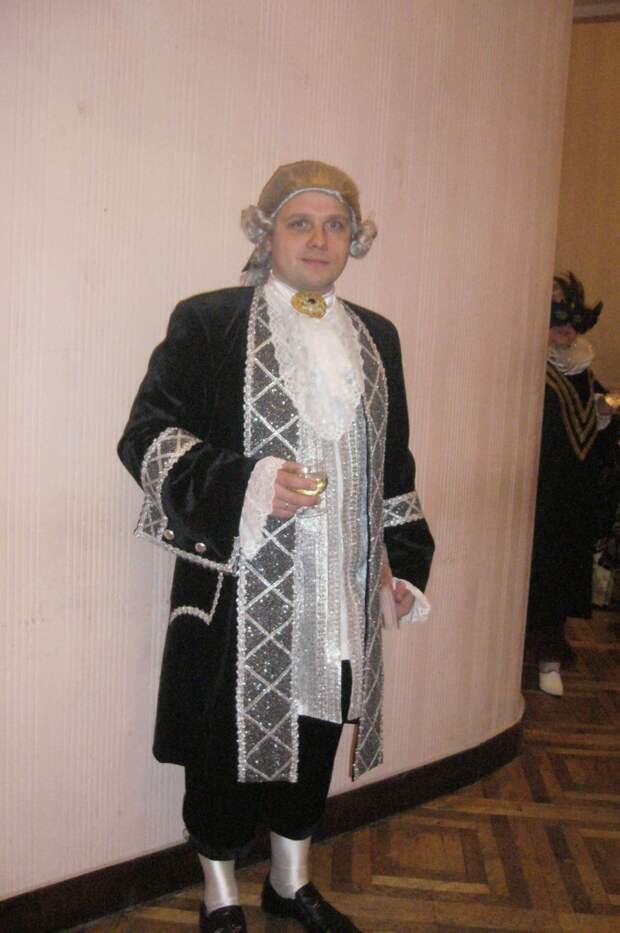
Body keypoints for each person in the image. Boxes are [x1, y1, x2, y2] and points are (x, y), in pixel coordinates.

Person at [118, 160, 434, 932]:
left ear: (354, 239)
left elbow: (393, 464)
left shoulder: (378, 337)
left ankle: (290, 883)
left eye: (336, 225)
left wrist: (405, 564)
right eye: (300, 223)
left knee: (317, 732)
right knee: (222, 744)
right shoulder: (209, 321)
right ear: (266, 235)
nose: (320, 239)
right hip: (240, 580)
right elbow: (147, 436)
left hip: (341, 584)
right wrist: (250, 482)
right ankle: (220, 890)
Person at [526, 272, 617, 697]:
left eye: (572, 322)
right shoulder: (530, 368)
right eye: (557, 319)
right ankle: (529, 654)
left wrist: (603, 411)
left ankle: (550, 654)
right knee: (534, 576)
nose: (566, 330)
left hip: (571, 494)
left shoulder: (580, 367)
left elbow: (591, 421)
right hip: (536, 492)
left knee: (561, 575)